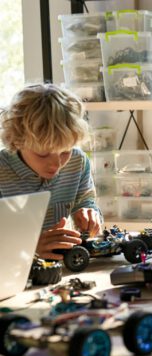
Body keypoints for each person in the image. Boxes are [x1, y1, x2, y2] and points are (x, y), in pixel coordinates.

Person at [0, 84, 101, 260]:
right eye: (42, 154)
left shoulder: (77, 161)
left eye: (65, 152)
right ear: (16, 141)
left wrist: (89, 215)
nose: (56, 164)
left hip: (59, 270)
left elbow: (86, 204)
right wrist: (29, 249)